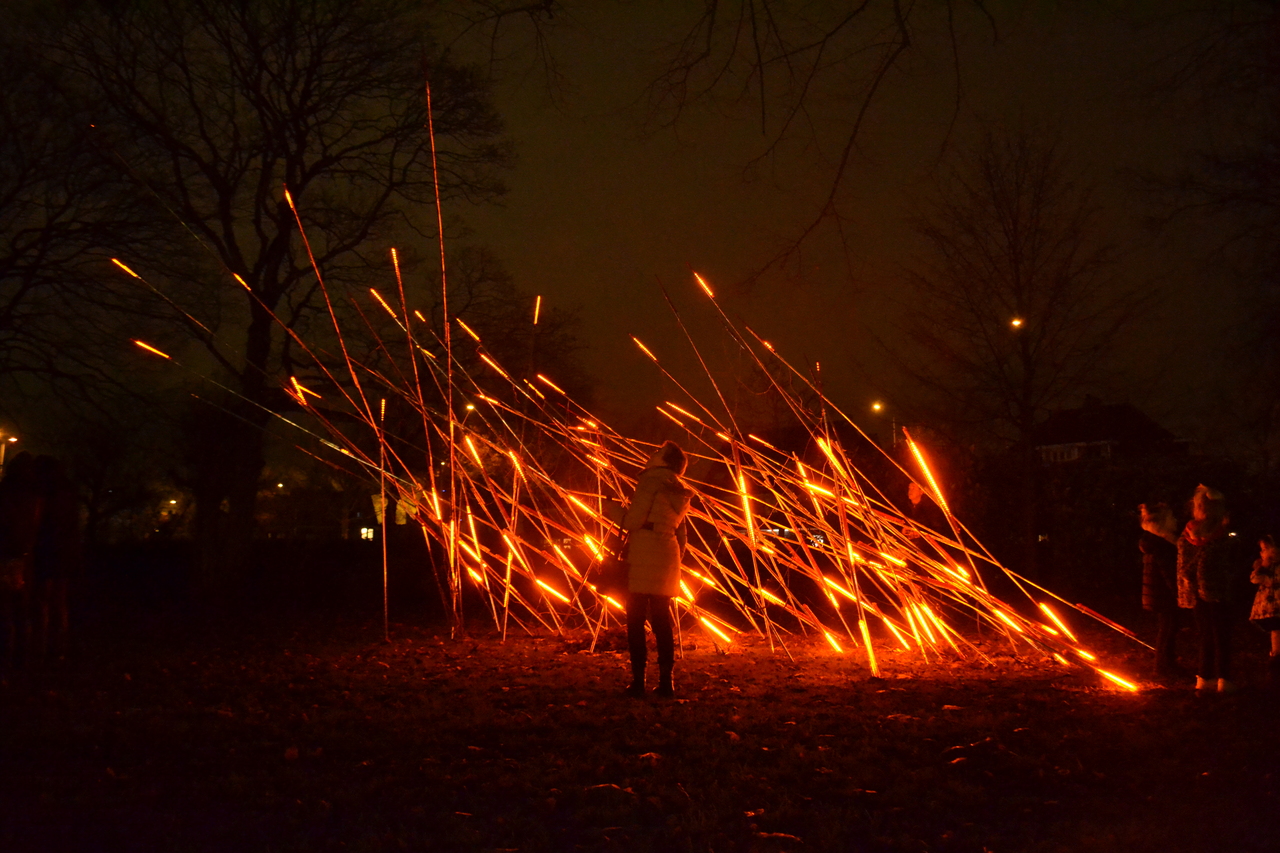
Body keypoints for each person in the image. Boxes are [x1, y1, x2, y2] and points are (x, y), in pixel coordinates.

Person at [621, 440, 692, 698]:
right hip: (668, 550)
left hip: (643, 551)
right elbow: (681, 532)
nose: (651, 454)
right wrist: (676, 556)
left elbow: (634, 520)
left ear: (664, 460)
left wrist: (620, 514)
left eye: (656, 452)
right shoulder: (681, 488)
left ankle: (638, 680)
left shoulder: (650, 481)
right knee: (663, 619)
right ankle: (666, 681)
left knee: (635, 617)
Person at [1176, 484, 1239, 693]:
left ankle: (1205, 677)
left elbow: (1184, 565)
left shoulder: (1187, 533)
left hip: (1195, 593)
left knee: (1205, 635)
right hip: (1216, 589)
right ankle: (1224, 679)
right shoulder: (1220, 532)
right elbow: (1220, 558)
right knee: (1221, 634)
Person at [31, 456, 82, 665]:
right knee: (59, 602)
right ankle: (57, 648)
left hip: (46, 551)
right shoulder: (69, 491)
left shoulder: (43, 492)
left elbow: (39, 523)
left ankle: (40, 649)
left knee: (42, 601)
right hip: (65, 553)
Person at [0, 452, 43, 671]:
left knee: (5, 609)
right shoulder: (35, 495)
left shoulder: (6, 492)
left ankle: (6, 657)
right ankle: (22, 657)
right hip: (25, 557)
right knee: (20, 610)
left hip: (6, 555)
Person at [1140, 502, 1183, 677]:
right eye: (1171, 517)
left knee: (1168, 628)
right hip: (1163, 595)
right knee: (1168, 629)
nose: (1175, 520)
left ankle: (1167, 663)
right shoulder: (1162, 545)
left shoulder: (1155, 542)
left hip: (1158, 593)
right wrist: (1178, 592)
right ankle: (1163, 666)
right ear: (1163, 522)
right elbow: (1168, 572)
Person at [1249, 535, 1280, 684]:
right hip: (1271, 609)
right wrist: (1263, 566)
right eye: (1262, 550)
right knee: (1276, 636)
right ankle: (1274, 670)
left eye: (1266, 548)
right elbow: (1254, 579)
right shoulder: (1263, 566)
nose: (1264, 553)